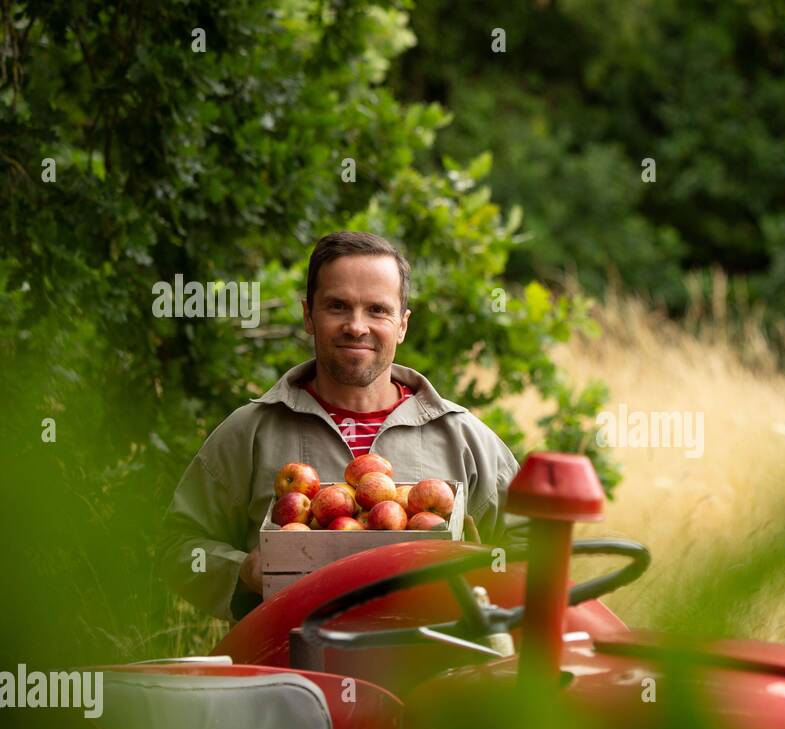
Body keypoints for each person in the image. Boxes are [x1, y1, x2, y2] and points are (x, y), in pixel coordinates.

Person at [162, 231, 522, 619]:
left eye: (377, 310)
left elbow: (533, 549)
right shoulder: (250, 432)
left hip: (428, 664)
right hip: (291, 670)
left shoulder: (464, 438)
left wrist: (483, 573)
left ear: (402, 325)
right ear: (308, 315)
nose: (356, 326)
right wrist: (244, 571)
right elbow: (179, 547)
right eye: (337, 306)